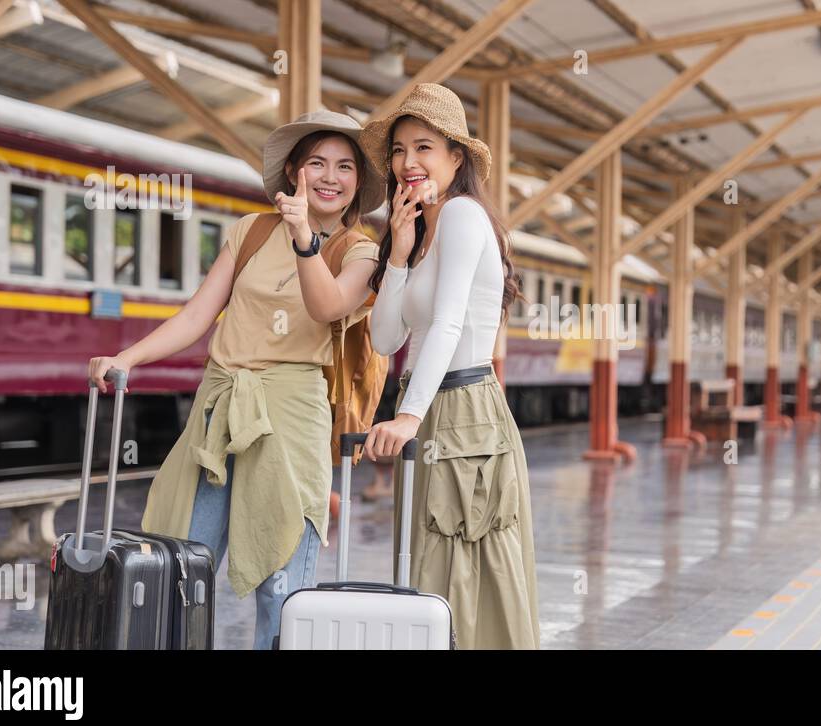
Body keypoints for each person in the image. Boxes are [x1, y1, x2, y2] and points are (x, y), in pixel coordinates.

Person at [87, 111, 385, 650]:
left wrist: (303, 239)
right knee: (185, 565)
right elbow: (198, 316)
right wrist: (125, 357)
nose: (330, 176)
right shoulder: (250, 231)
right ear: (293, 170)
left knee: (281, 583)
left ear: (358, 184)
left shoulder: (358, 251)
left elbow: (327, 308)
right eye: (317, 161)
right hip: (220, 410)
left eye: (345, 167)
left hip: (292, 415)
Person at [360, 83, 540, 649]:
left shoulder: (462, 214)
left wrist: (407, 418)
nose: (408, 162)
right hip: (431, 406)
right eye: (398, 151)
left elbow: (453, 324)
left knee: (464, 569)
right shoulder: (420, 232)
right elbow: (387, 338)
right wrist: (395, 253)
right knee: (429, 565)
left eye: (424, 148)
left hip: (463, 410)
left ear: (456, 157)